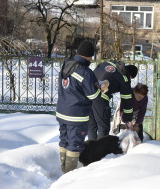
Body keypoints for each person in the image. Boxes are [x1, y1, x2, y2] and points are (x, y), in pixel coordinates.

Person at [56, 40, 101, 174]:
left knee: (64, 141)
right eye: (92, 56)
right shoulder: (85, 72)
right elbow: (93, 96)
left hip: (62, 111)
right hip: (76, 115)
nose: (92, 59)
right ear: (88, 55)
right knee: (74, 145)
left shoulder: (66, 64)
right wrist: (101, 88)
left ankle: (63, 170)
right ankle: (68, 177)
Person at [88, 60, 138, 140]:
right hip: (100, 98)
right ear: (130, 75)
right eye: (131, 78)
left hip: (87, 93)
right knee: (103, 127)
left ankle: (90, 148)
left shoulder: (108, 63)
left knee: (92, 125)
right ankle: (100, 150)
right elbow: (126, 100)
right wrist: (128, 119)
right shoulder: (125, 77)